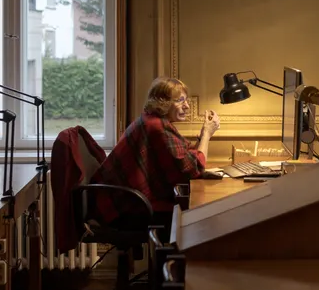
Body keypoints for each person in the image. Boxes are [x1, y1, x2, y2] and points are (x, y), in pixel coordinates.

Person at [88, 76, 221, 228]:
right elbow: (192, 169)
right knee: (198, 213)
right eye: (180, 100)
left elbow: (185, 157)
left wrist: (203, 135)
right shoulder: (157, 127)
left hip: (120, 200)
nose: (187, 107)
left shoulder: (153, 120)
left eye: (186, 100)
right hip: (126, 206)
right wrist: (207, 135)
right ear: (163, 103)